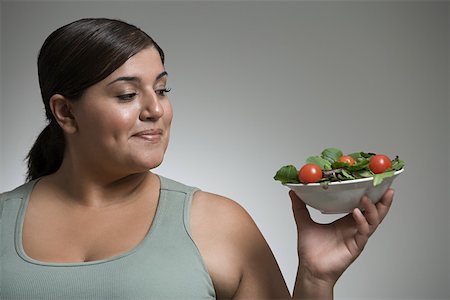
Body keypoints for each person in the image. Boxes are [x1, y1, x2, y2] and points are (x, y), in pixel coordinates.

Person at [0, 18, 394, 299]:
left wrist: (315, 278)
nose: (155, 109)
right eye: (126, 94)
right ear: (65, 113)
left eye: (163, 89)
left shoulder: (219, 223)